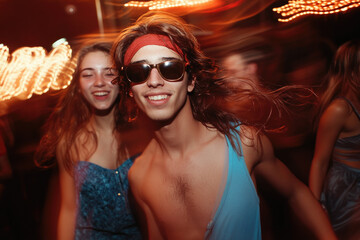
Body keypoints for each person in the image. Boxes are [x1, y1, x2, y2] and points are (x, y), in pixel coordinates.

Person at [112, 12, 336, 240]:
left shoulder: (242, 143)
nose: (154, 81)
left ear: (191, 80)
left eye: (170, 68)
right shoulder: (139, 176)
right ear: (130, 88)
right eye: (139, 72)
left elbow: (295, 192)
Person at [35, 41, 143, 240]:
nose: (99, 81)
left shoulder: (145, 136)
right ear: (78, 86)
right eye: (88, 74)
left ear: (121, 80)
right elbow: (69, 210)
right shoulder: (69, 142)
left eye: (109, 73)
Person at [309, 40, 360, 239]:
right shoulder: (339, 110)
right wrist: (315, 208)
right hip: (346, 190)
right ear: (353, 72)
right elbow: (319, 162)